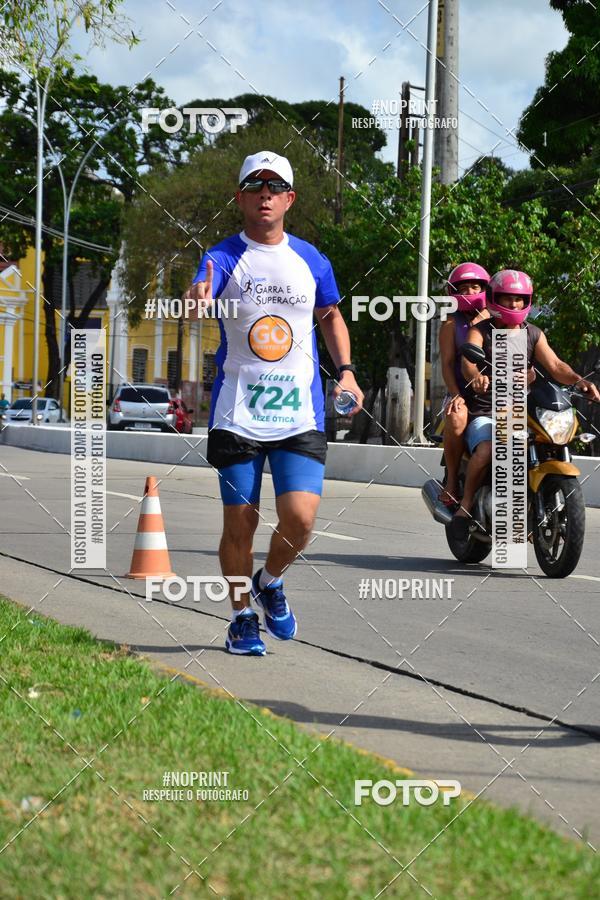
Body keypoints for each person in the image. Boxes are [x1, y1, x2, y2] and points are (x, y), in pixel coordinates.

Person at [184, 150, 364, 656]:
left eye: (274, 186)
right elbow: (204, 290)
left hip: (298, 412)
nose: (264, 194)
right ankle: (242, 617)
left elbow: (330, 316)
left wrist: (346, 371)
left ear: (289, 198)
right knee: (239, 521)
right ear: (240, 197)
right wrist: (199, 298)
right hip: (237, 411)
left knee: (301, 519)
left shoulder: (312, 259)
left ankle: (270, 579)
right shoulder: (221, 256)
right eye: (254, 186)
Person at [452, 269, 600, 540]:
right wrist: (477, 378)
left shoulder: (532, 334)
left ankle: (528, 508)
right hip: (486, 411)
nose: (514, 305)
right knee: (487, 449)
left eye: (520, 299)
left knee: (547, 444)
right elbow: (467, 361)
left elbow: (555, 366)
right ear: (495, 298)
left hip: (522, 410)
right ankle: (466, 505)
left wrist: (580, 381)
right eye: (507, 299)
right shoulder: (481, 331)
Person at [438, 262, 490, 508]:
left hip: (498, 396)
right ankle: (451, 481)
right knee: (456, 417)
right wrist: (456, 394)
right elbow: (447, 365)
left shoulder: (498, 321)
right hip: (463, 394)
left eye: (475, 287)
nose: (470, 292)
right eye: (464, 288)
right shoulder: (450, 325)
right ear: (454, 293)